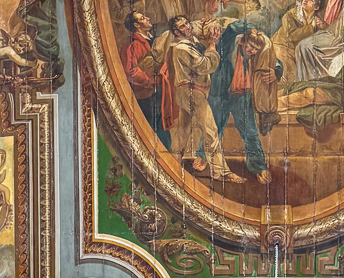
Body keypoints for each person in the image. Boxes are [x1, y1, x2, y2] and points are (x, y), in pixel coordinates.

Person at [163, 16, 244, 184]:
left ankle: (177, 162)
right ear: (176, 32)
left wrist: (207, 29)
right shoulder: (181, 48)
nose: (187, 27)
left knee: (186, 129)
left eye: (187, 23)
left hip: (189, 92)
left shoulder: (190, 41)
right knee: (211, 131)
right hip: (192, 93)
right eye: (182, 26)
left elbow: (199, 36)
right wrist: (212, 45)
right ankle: (221, 172)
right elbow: (206, 65)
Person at [206, 24, 281, 184]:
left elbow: (275, 61)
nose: (252, 51)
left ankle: (258, 166)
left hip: (242, 96)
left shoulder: (259, 53)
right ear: (243, 41)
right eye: (250, 47)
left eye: (255, 49)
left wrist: (277, 71)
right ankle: (203, 157)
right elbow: (232, 27)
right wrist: (253, 27)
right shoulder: (230, 44)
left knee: (250, 132)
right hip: (222, 93)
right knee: (214, 128)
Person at [120, 11, 170, 148]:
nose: (147, 18)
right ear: (137, 25)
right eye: (142, 18)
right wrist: (150, 81)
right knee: (150, 131)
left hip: (159, 89)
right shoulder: (132, 45)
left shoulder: (154, 39)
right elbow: (130, 71)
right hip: (145, 95)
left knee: (163, 127)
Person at [272, 0, 326, 84]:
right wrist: (311, 27)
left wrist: (322, 27)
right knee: (289, 74)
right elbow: (291, 36)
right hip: (281, 46)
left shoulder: (315, 19)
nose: (305, 1)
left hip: (297, 50)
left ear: (316, 7)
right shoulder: (290, 15)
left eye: (311, 0)